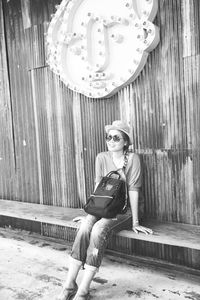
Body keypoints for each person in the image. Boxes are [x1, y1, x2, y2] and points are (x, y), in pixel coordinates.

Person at [58, 120, 153, 300]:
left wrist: (135, 221)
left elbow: (134, 190)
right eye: (108, 137)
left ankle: (83, 290)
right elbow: (98, 189)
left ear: (126, 142)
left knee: (99, 229)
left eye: (116, 138)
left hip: (123, 211)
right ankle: (69, 284)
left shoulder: (133, 159)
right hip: (103, 209)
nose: (111, 141)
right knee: (86, 226)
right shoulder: (101, 157)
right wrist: (90, 214)